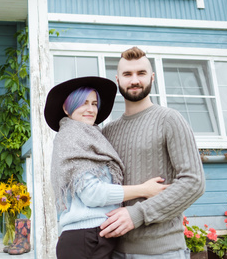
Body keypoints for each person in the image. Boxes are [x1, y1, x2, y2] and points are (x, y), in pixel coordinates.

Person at [44, 76, 169, 259]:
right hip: (86, 238)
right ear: (66, 107)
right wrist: (144, 190)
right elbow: (92, 193)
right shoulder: (72, 138)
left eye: (94, 104)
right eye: (83, 103)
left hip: (91, 236)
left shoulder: (90, 137)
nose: (91, 109)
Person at [100, 47, 206, 258]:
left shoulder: (169, 119)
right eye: (127, 74)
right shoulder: (108, 132)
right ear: (118, 80)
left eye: (141, 73)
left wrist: (137, 214)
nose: (134, 80)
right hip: (114, 250)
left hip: (162, 251)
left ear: (152, 77)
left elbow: (194, 182)